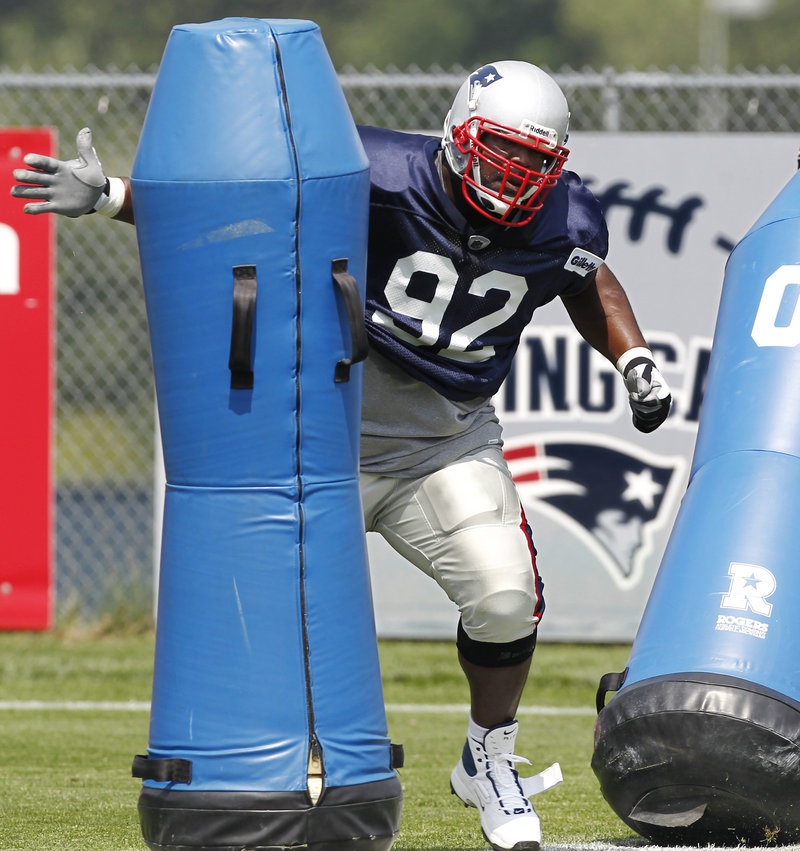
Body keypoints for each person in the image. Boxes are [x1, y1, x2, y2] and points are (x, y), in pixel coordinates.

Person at [12, 60, 671, 851]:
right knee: (263, 617)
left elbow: (585, 278)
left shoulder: (566, 219)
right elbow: (245, 212)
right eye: (503, 149)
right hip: (323, 430)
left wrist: (632, 358)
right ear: (459, 134)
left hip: (445, 437)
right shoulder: (379, 171)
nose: (518, 175)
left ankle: (487, 757)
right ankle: (257, 777)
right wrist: (118, 195)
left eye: (537, 160)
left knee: (506, 595)